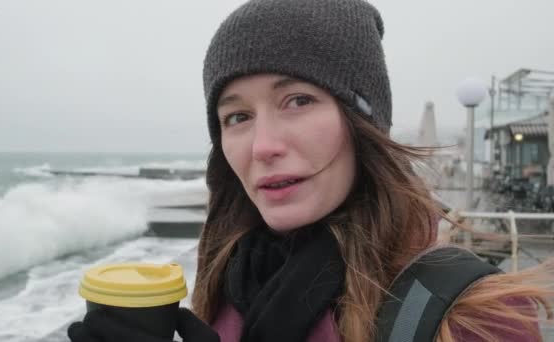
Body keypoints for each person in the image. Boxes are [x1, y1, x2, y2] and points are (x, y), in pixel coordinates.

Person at [68, 0, 554, 341]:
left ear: (362, 121)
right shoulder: (228, 283)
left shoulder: (469, 317)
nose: (262, 146)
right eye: (236, 117)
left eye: (298, 100)